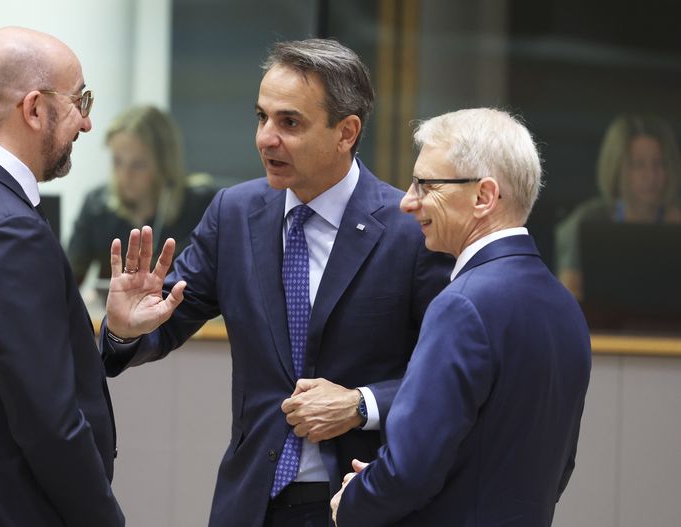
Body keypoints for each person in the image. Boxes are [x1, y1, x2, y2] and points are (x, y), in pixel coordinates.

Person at [101, 38, 452, 526]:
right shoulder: (234, 214)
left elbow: (447, 376)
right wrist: (126, 330)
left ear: (346, 132)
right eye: (261, 117)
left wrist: (362, 404)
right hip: (253, 503)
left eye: (289, 123)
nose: (266, 138)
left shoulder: (410, 229)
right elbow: (163, 321)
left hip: (362, 499)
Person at [0, 26, 184, 526]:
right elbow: (50, 424)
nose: (87, 123)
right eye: (79, 101)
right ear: (33, 109)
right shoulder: (9, 230)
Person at [329, 108, 592, 526]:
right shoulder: (564, 306)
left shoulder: (462, 305)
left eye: (426, 184)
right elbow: (557, 469)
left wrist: (354, 499)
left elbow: (410, 471)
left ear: (484, 197)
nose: (407, 202)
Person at [67, 105, 215, 286]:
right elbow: (69, 280)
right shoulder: (96, 206)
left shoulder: (201, 207)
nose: (124, 176)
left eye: (138, 165)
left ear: (164, 165)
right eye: (117, 161)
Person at [555, 114, 681, 299]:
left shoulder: (677, 222)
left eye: (659, 163)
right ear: (616, 168)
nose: (651, 176)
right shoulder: (587, 222)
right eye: (638, 165)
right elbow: (569, 296)